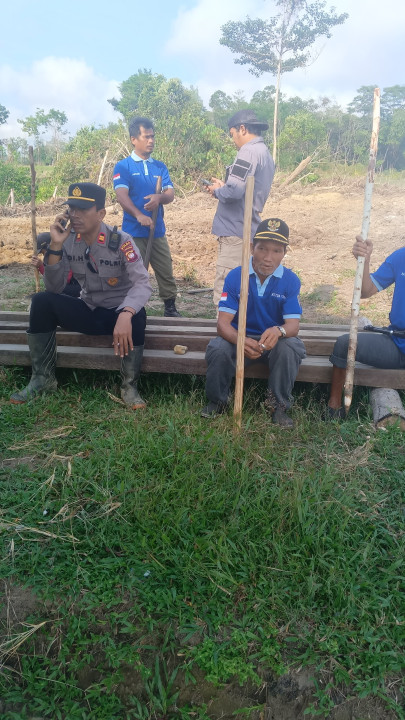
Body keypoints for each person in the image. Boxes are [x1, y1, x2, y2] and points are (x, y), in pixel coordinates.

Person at [10, 182, 152, 409]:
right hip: (88, 310)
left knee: (137, 315)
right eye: (72, 209)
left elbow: (142, 283)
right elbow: (54, 288)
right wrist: (55, 245)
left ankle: (129, 386)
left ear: (101, 214)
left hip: (117, 315)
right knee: (41, 301)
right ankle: (43, 379)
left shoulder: (121, 241)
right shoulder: (68, 242)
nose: (75, 215)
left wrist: (126, 313)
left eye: (83, 209)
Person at [202, 218, 306, 428]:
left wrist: (279, 331)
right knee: (218, 348)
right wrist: (241, 340)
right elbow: (223, 324)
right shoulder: (236, 277)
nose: (268, 258)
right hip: (239, 339)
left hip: (273, 343)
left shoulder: (290, 280)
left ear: (284, 253)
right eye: (262, 249)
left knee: (291, 347)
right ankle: (217, 401)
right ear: (251, 248)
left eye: (276, 251)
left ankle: (278, 407)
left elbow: (293, 326)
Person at [327, 236, 405, 419]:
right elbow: (365, 291)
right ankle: (334, 407)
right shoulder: (400, 256)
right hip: (397, 343)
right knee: (344, 344)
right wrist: (365, 260)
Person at [205, 109, 275, 307]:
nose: (233, 139)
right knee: (245, 290)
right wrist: (225, 186)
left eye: (232, 134)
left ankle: (225, 327)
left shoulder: (248, 151)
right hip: (249, 229)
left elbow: (234, 192)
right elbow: (242, 188)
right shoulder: (264, 153)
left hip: (235, 232)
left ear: (242, 129)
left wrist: (217, 191)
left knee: (227, 290)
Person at [113, 116, 181, 317]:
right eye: (146, 137)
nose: (151, 140)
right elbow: (121, 196)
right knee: (133, 272)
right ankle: (132, 309)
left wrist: (160, 198)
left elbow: (170, 194)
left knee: (165, 269)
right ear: (134, 139)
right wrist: (138, 215)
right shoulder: (123, 166)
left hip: (156, 230)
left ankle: (170, 307)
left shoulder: (159, 167)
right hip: (133, 233)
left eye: (153, 136)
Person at [32, 232, 81, 297]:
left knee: (53, 292)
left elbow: (61, 281)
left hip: (80, 288)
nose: (44, 255)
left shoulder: (64, 254)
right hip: (72, 286)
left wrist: (41, 266)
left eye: (43, 252)